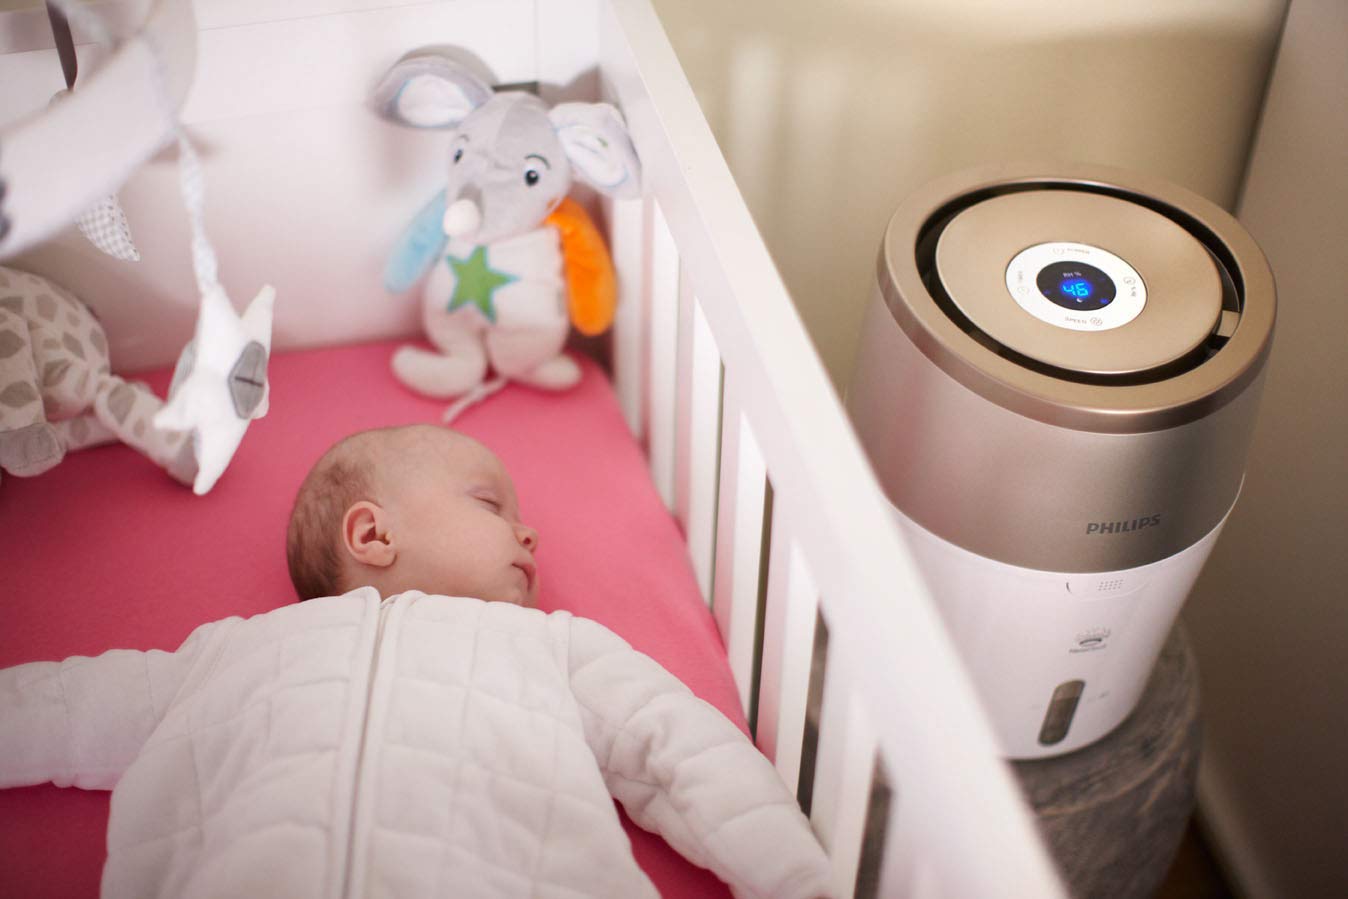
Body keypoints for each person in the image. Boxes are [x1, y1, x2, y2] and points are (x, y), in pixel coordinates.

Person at [0, 424, 833, 899]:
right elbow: (71, 708)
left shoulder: (555, 646)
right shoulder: (231, 653)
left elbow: (680, 748)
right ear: (372, 533)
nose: (529, 531)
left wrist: (798, 880)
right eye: (490, 502)